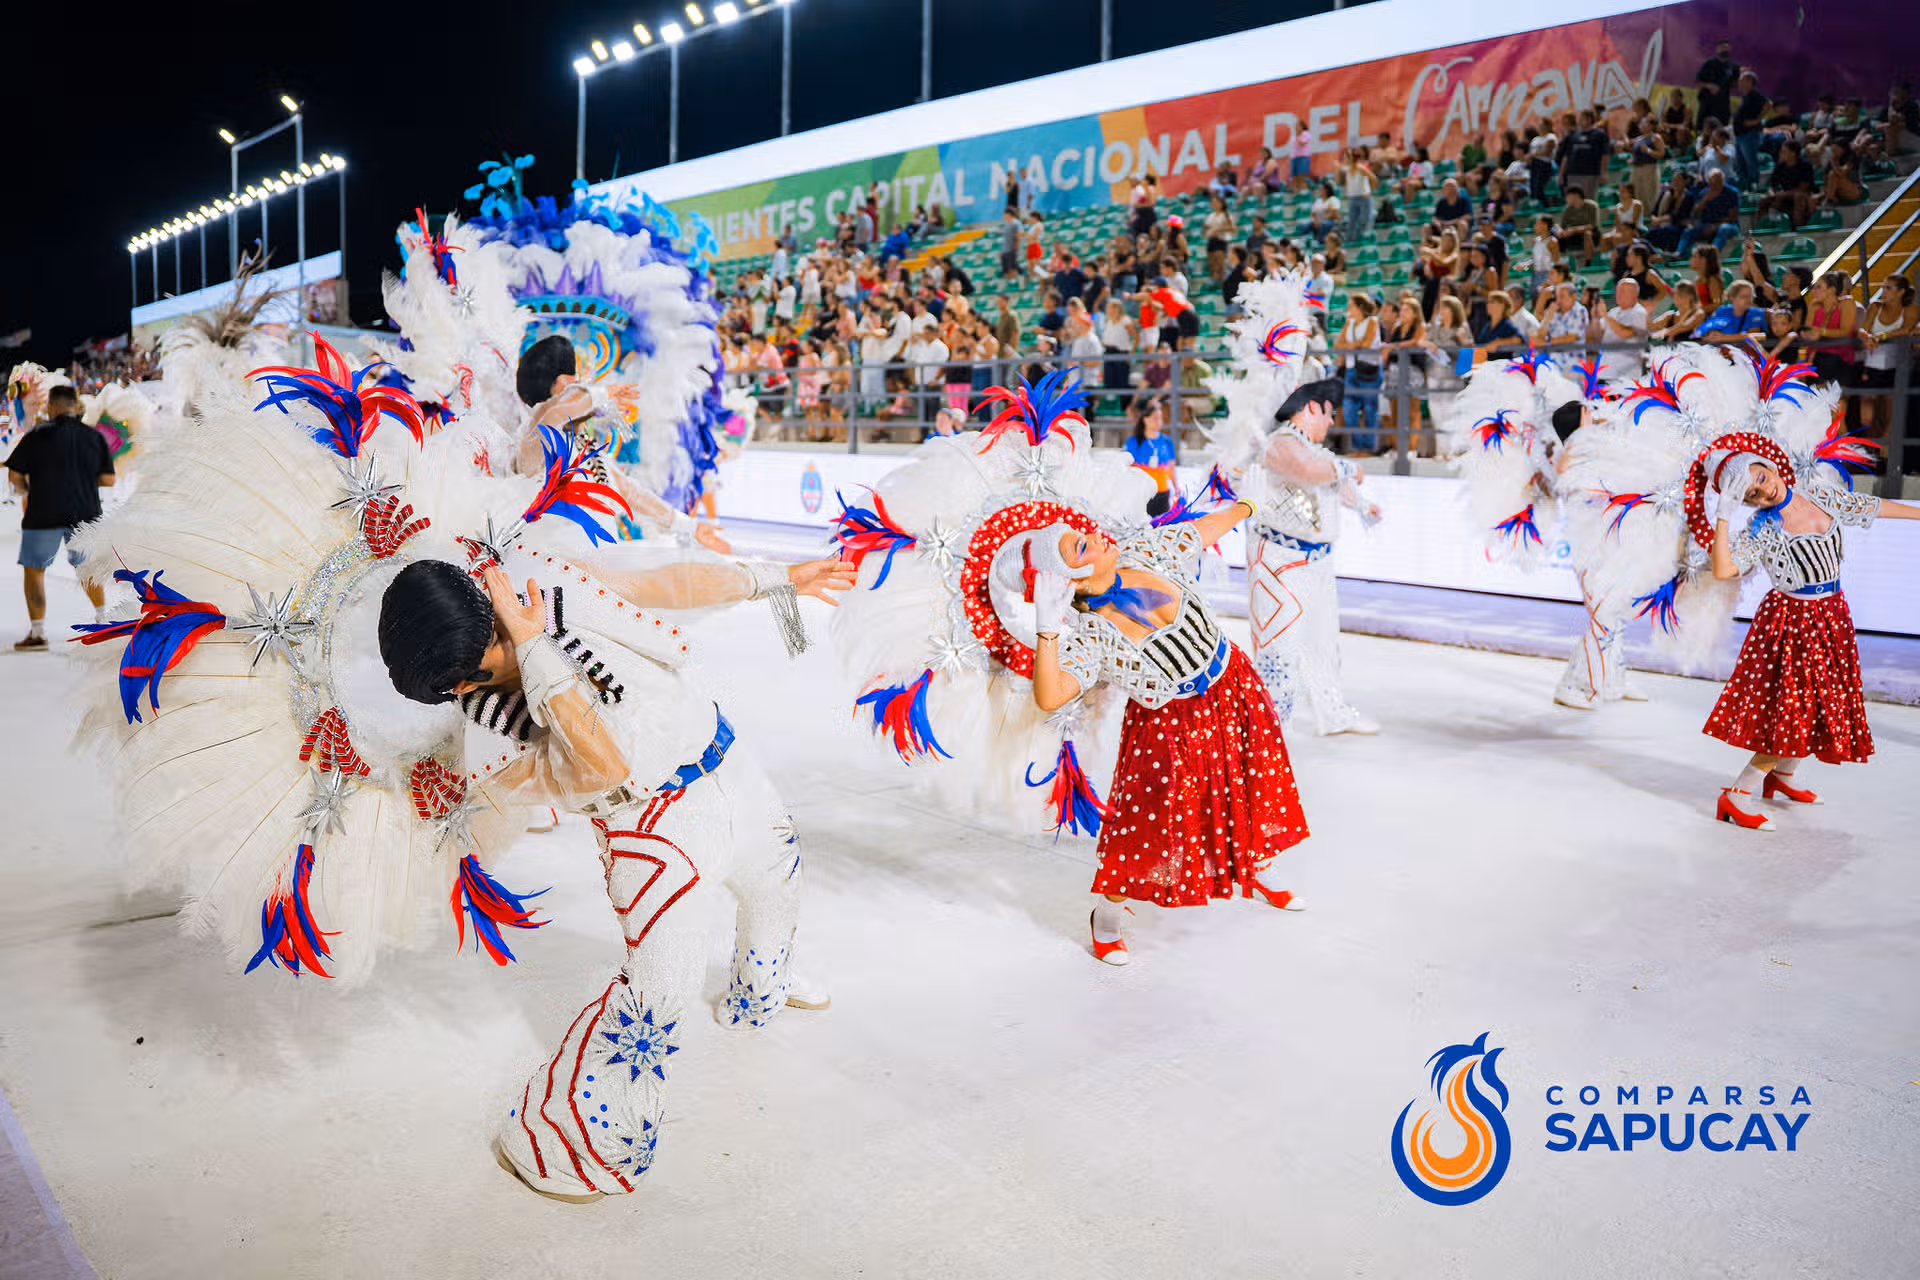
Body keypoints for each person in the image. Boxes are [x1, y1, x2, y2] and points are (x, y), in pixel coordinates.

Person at [1024, 497, 1308, 963]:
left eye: (1087, 533)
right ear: (1070, 579)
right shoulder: (1093, 633)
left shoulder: (1144, 552)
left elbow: (1199, 533)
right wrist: (1047, 628)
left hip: (1232, 684)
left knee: (1251, 781)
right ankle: (1108, 915)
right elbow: (1050, 695)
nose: (1097, 536)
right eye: (1083, 546)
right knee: (1149, 825)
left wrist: (1245, 507)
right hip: (1169, 724)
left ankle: (1253, 867)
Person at [1702, 451, 1920, 829]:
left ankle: (1781, 777)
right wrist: (1724, 512)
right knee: (1793, 711)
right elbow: (1723, 569)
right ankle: (1735, 795)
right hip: (1793, 622)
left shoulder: (1821, 494)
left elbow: (1871, 505)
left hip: (1832, 614)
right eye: (1750, 494)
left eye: (1760, 479)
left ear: (1770, 468)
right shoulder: (1762, 527)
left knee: (1824, 702)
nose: (1762, 492)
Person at [1242, 378, 1381, 736]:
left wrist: (1363, 505)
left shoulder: (1310, 448)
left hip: (1316, 561)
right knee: (1279, 648)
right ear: (1312, 408)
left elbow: (1329, 479)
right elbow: (1308, 470)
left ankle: (1333, 713)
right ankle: (1271, 728)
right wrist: (1350, 468)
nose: (1332, 422)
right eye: (1329, 413)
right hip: (1279, 562)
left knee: (1323, 642)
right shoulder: (1279, 444)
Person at [512, 336, 730, 554]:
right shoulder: (536, 440)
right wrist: (602, 393)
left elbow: (631, 492)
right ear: (562, 386)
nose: (586, 390)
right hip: (559, 568)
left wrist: (689, 526)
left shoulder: (583, 445)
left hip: (602, 561)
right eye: (579, 385)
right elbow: (556, 412)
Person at [6, 383, 113, 649]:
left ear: (50, 406)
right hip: (85, 513)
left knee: (35, 571)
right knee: (87, 569)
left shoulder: (35, 436)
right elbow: (109, 479)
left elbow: (14, 475)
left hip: (42, 512)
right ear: (76, 407)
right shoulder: (94, 437)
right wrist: (83, 480)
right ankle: (102, 620)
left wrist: (26, 490)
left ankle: (37, 632)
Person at [1336, 294, 1384, 454]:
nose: (1348, 309)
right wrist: (1355, 345)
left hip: (1369, 370)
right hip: (1351, 370)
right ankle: (1358, 446)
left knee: (1370, 409)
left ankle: (1368, 448)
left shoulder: (1372, 321)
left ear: (1360, 307)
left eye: (1351, 306)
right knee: (1349, 409)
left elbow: (1367, 343)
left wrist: (1350, 345)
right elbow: (1338, 344)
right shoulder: (1349, 323)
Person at [1124, 398, 1177, 516]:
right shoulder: (1134, 442)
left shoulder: (1166, 441)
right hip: (1142, 493)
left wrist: (1176, 487)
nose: (1159, 422)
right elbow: (1126, 468)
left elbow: (1171, 467)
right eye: (1155, 418)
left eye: (1160, 418)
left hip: (1162, 492)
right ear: (1145, 420)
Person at [1676, 169, 1741, 257]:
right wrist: (1705, 200)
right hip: (1707, 225)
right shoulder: (1704, 193)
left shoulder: (1732, 193)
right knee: (1689, 231)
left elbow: (1733, 216)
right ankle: (1679, 253)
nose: (1713, 186)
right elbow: (1696, 213)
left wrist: (1715, 226)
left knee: (1724, 229)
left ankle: (1713, 254)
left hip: (1728, 225)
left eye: (1716, 183)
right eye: (1711, 183)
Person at [1758, 141, 1817, 229]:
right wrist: (1771, 193)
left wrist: (1782, 195)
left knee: (1798, 197)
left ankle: (1798, 228)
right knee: (1763, 200)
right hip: (1785, 194)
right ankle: (1762, 227)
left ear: (1793, 153)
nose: (1781, 154)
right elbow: (1773, 185)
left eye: (1784, 151)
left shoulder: (1805, 166)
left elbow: (1803, 188)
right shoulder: (1780, 167)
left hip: (1803, 194)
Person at [1694, 39, 1738, 130]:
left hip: (1722, 106)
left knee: (1721, 131)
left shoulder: (1733, 67)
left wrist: (1743, 76)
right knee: (1702, 130)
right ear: (1717, 50)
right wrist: (1709, 86)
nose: (1724, 50)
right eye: (1722, 48)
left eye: (1726, 48)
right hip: (1707, 105)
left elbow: (1735, 84)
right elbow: (1697, 82)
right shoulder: (1709, 64)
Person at [1553, 187, 1601, 261]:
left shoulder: (1592, 206)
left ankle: (1589, 262)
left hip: (1591, 233)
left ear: (1575, 196)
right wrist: (1560, 231)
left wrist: (1574, 230)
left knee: (1587, 234)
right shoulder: (1567, 209)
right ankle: (1560, 260)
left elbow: (1592, 225)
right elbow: (1562, 225)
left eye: (1568, 196)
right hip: (1573, 234)